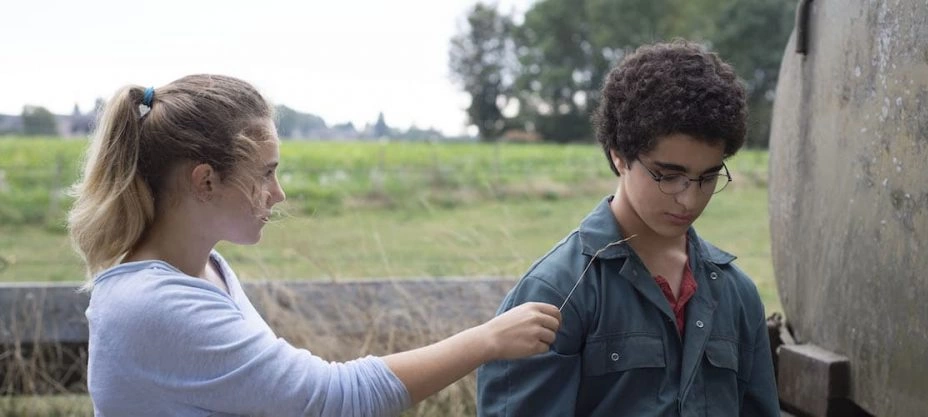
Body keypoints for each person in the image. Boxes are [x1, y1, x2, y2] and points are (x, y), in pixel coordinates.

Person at [67, 74, 561, 417]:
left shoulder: (205, 269)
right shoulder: (153, 304)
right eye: (266, 174)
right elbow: (331, 400)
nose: (278, 193)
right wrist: (486, 340)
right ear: (206, 181)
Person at [476, 40, 780, 416]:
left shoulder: (738, 295)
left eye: (707, 177)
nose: (689, 199)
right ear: (619, 156)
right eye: (668, 175)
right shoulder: (558, 292)